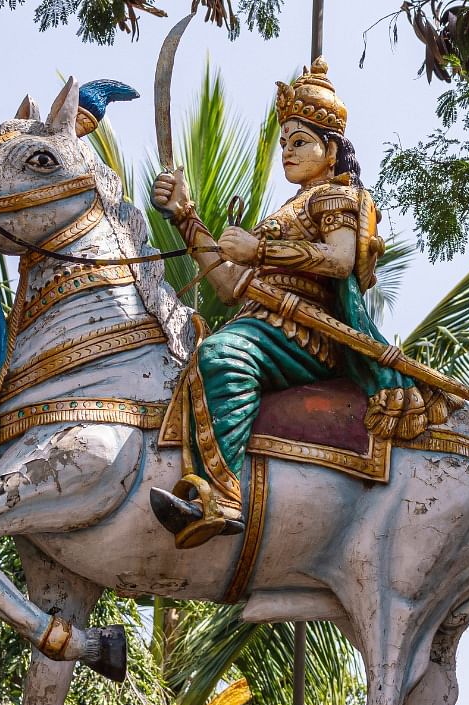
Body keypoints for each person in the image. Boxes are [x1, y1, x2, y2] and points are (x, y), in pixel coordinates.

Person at [149, 58, 452, 549]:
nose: (287, 152)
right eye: (284, 143)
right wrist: (185, 216)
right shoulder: (286, 210)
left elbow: (339, 260)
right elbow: (227, 284)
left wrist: (259, 249)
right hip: (262, 322)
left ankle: (220, 499)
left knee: (222, 356)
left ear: (331, 150)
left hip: (304, 332)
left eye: (300, 142)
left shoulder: (338, 197)